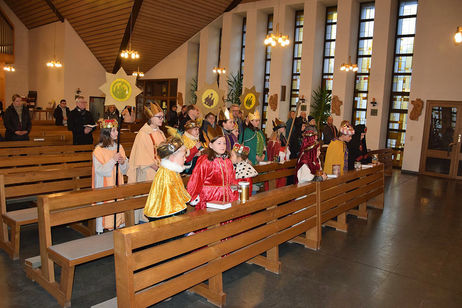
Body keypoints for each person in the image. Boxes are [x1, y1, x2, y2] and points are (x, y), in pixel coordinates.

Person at [127, 102, 166, 223]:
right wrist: (157, 167)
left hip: (161, 170)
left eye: (162, 117)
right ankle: (144, 220)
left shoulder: (160, 133)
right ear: (150, 117)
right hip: (149, 171)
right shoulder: (143, 134)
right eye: (159, 117)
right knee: (148, 199)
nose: (161, 119)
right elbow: (142, 156)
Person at [187, 127, 238, 210]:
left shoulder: (228, 161)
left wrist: (235, 192)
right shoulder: (206, 161)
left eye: (224, 143)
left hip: (227, 197)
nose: (222, 146)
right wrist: (193, 196)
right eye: (219, 143)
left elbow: (232, 180)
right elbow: (196, 180)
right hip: (210, 198)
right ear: (211, 145)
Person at [92, 119, 129, 233]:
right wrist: (113, 160)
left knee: (118, 208)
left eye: (116, 130)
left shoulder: (119, 147)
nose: (117, 133)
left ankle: (118, 227)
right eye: (113, 131)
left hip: (117, 183)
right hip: (105, 185)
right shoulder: (98, 150)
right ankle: (103, 230)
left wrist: (123, 162)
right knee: (107, 209)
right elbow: (100, 171)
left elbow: (125, 169)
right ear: (106, 133)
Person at [144, 137, 190, 221]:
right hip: (165, 218)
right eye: (183, 156)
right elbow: (169, 205)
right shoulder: (166, 175)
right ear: (172, 158)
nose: (185, 159)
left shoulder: (172, 171)